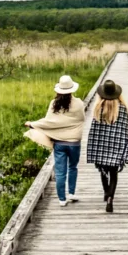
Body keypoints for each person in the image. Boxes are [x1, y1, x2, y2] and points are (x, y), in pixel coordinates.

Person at [24, 75, 85, 207]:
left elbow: (49, 122)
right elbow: (81, 120)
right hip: (74, 142)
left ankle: (62, 199)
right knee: (73, 167)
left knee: (60, 171)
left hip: (59, 143)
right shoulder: (79, 103)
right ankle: (72, 193)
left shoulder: (54, 104)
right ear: (72, 89)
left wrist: (32, 124)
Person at [86, 79, 128, 213]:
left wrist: (93, 147)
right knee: (114, 173)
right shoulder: (123, 109)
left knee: (103, 171)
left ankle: (106, 192)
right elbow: (125, 130)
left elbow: (94, 131)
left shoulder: (98, 109)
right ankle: (111, 197)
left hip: (102, 148)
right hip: (116, 146)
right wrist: (125, 148)